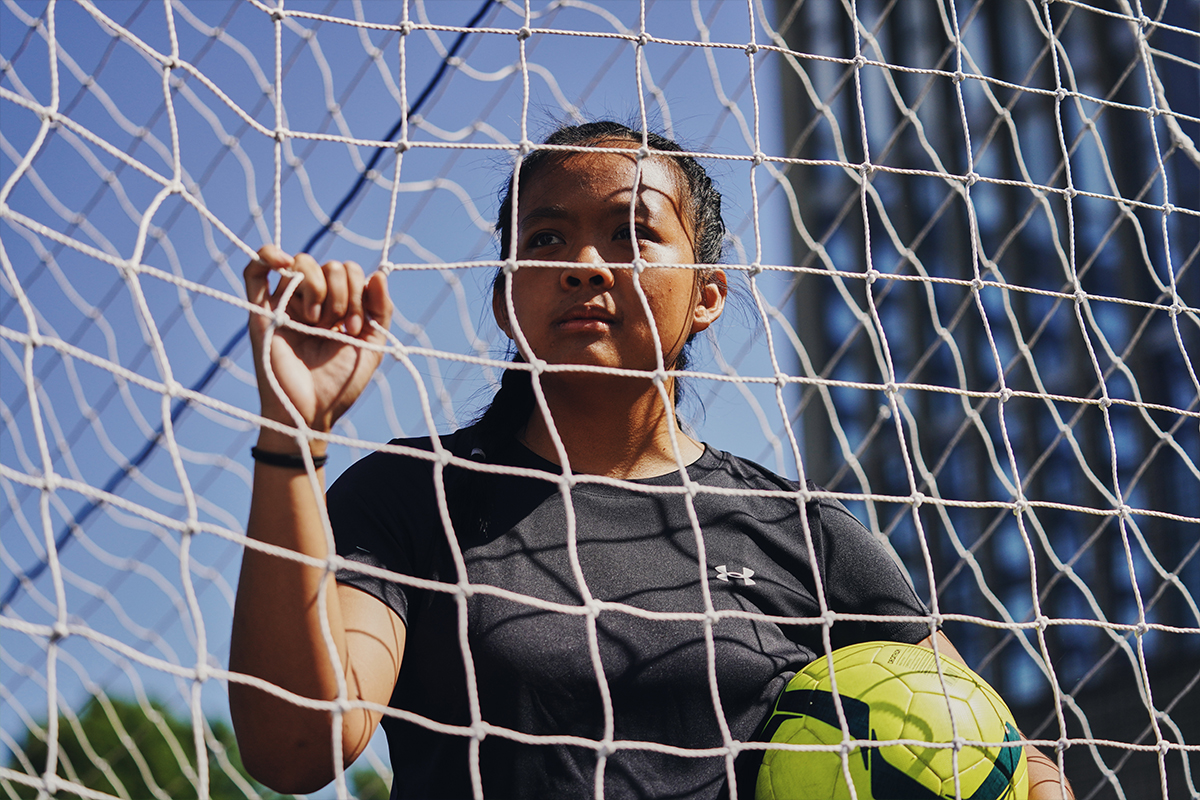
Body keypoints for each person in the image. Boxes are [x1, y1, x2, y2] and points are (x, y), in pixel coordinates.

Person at [228, 121, 1073, 799]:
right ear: (502, 297)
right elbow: (297, 746)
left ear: (707, 294)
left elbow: (1008, 757)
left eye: (632, 233)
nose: (582, 266)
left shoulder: (802, 531)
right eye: (548, 237)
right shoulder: (414, 496)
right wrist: (294, 436)